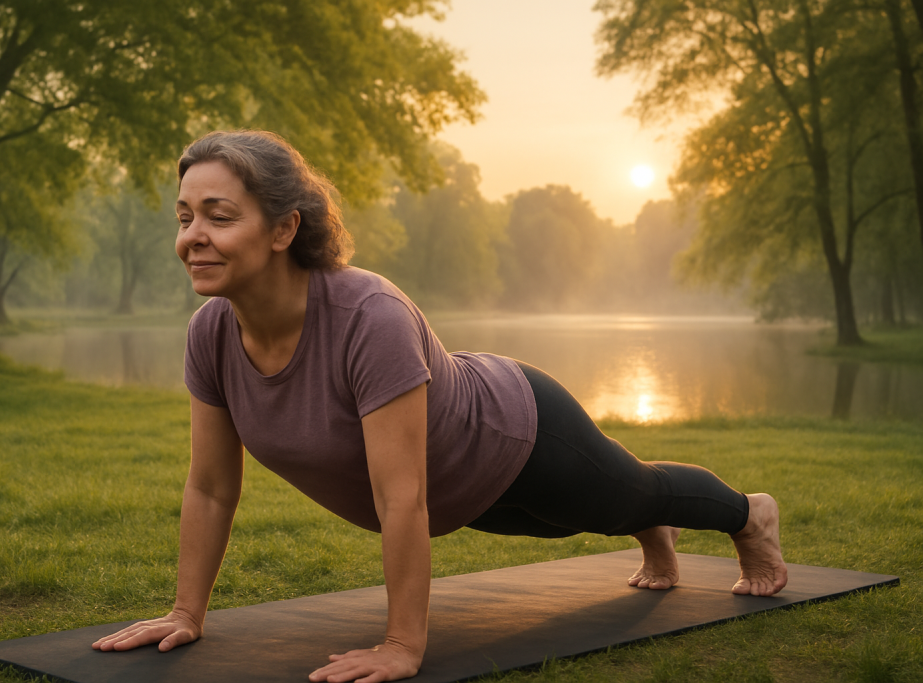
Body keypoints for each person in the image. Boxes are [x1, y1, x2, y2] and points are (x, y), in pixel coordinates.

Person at [92, 130, 787, 683]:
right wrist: (186, 612)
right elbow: (211, 487)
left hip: (517, 429)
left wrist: (401, 643)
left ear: (282, 230)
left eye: (218, 216)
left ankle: (748, 512)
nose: (193, 236)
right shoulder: (210, 335)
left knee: (627, 493)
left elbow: (401, 495)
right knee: (564, 527)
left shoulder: (369, 316)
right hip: (461, 493)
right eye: (185, 217)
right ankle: (648, 528)